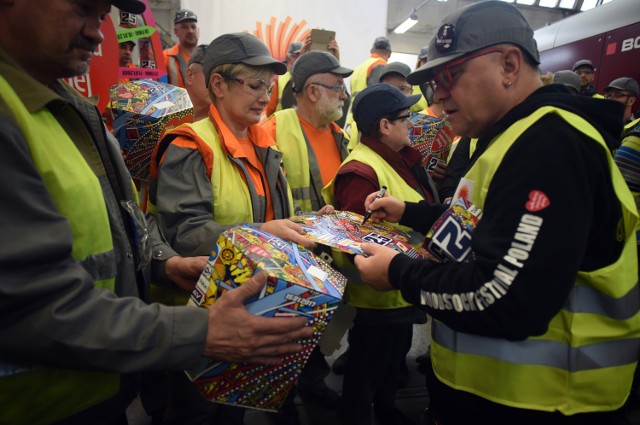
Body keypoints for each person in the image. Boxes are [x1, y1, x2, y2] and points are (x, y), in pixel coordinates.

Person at [0, 2, 314, 425]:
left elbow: (120, 229)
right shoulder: (187, 143)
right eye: (82, 8)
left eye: (102, 15)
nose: (99, 33)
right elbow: (31, 303)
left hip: (107, 374)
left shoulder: (70, 110)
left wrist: (161, 265)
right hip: (46, 398)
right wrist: (200, 326)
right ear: (218, 85)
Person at [353, 1, 638, 424]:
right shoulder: (514, 135)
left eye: (450, 76)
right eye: (433, 82)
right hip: (496, 396)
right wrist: (411, 213)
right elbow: (485, 227)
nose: (438, 94)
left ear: (508, 65)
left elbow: (505, 296)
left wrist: (397, 274)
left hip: (543, 403)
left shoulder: (550, 145)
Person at [148, 32, 324, 423]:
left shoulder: (265, 144)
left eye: (270, 85)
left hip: (254, 308)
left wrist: (314, 225)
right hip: (202, 319)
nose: (265, 96)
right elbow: (187, 234)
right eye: (254, 84)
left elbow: (273, 217)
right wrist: (264, 234)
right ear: (217, 86)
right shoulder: (192, 146)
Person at [323, 83, 441, 425]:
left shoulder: (399, 158)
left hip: (401, 288)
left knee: (392, 361)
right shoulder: (362, 171)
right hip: (377, 298)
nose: (413, 123)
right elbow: (355, 242)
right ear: (384, 126)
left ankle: (386, 410)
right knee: (366, 368)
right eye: (405, 117)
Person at [264, 40, 302, 117]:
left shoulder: (310, 79)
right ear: (288, 58)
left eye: (302, 56)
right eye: (296, 56)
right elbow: (270, 109)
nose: (299, 59)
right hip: (281, 125)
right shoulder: (279, 81)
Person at [163, 8, 199, 88]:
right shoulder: (165, 57)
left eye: (193, 27)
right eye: (184, 27)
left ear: (198, 30)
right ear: (175, 31)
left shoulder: (208, 56)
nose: (190, 31)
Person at [184, 44, 211, 121]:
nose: (215, 84)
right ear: (190, 75)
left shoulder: (226, 123)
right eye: (209, 74)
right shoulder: (167, 117)